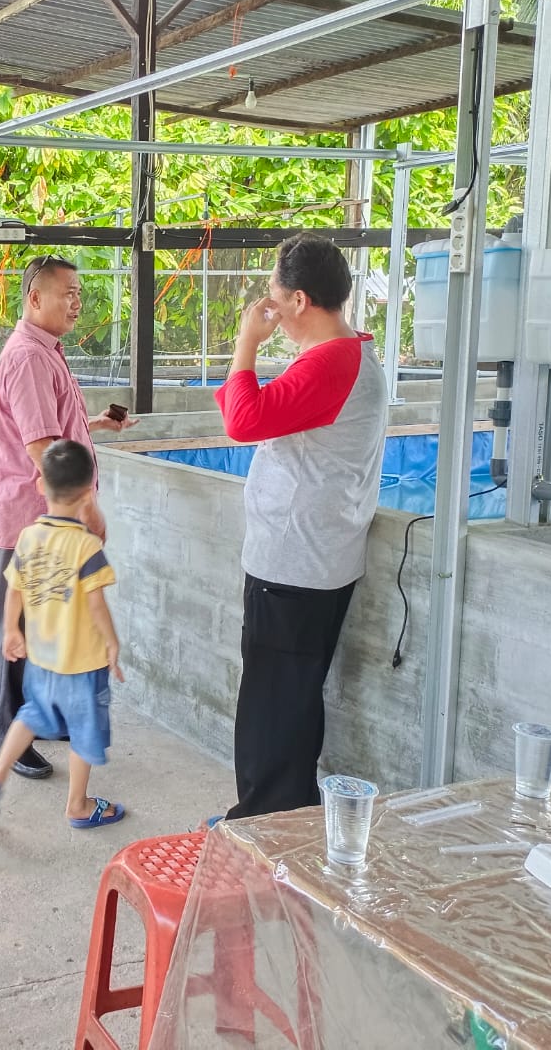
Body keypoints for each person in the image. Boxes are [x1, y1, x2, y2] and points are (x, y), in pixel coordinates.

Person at [215, 233, 388, 820]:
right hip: (321, 556)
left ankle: (263, 820)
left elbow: (243, 419)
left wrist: (246, 342)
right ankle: (288, 809)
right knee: (291, 693)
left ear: (300, 301)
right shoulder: (354, 352)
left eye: (275, 297)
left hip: (294, 562)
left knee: (271, 698)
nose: (269, 308)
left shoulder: (331, 362)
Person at [0, 256, 132, 779]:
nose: (75, 302)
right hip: (33, 514)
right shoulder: (27, 356)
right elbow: (41, 445)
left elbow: (55, 423)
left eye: (78, 293)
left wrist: (94, 425)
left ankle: (44, 716)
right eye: (66, 292)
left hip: (51, 514)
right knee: (18, 626)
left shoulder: (47, 353)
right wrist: (86, 505)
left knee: (50, 620)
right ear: (34, 297)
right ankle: (7, 732)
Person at [0, 440, 126, 829]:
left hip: (42, 659)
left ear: (40, 486)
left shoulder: (28, 538)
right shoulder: (87, 546)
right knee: (83, 733)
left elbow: (14, 591)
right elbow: (96, 605)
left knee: (31, 715)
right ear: (88, 493)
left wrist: (10, 633)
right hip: (82, 665)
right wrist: (112, 643)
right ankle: (78, 805)